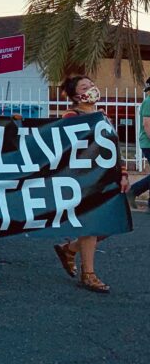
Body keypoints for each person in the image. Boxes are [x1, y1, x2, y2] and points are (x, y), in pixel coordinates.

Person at [51, 75, 131, 293]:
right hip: (84, 178)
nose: (91, 89)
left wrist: (123, 172)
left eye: (91, 85)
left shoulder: (103, 116)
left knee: (108, 223)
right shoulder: (71, 115)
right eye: (85, 87)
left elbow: (113, 146)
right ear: (76, 95)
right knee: (92, 223)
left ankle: (70, 249)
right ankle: (89, 274)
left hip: (106, 176)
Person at [126, 76, 150, 208]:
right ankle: (133, 190)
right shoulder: (149, 102)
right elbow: (147, 125)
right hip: (148, 143)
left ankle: (134, 191)